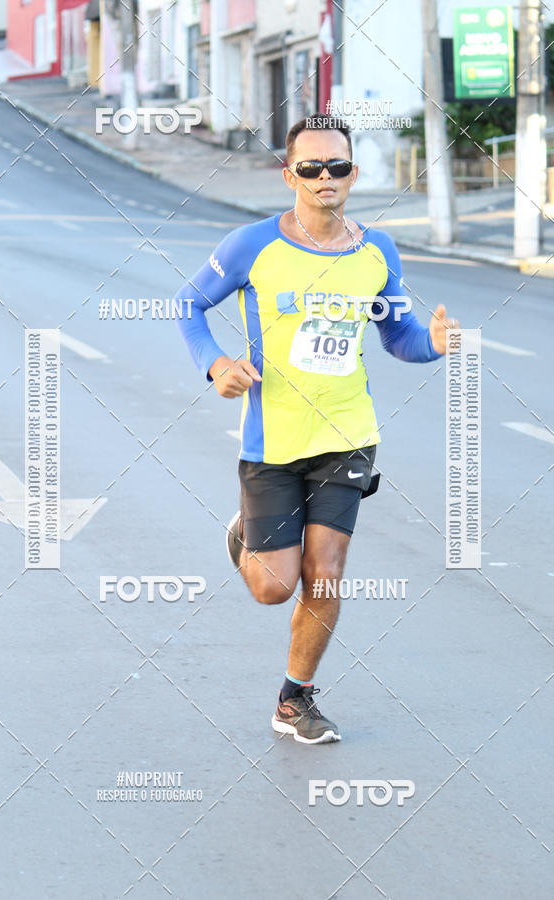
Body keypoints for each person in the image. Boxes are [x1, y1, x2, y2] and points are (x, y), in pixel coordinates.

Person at [174, 114, 459, 744]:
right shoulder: (252, 244)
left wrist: (434, 343)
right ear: (289, 175)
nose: (324, 177)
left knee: (325, 569)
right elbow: (187, 304)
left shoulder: (377, 250)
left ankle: (294, 700)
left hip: (348, 433)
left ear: (353, 173)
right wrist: (216, 363)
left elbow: (399, 338)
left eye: (336, 166)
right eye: (310, 167)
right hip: (271, 439)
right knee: (274, 587)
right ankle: (245, 535)